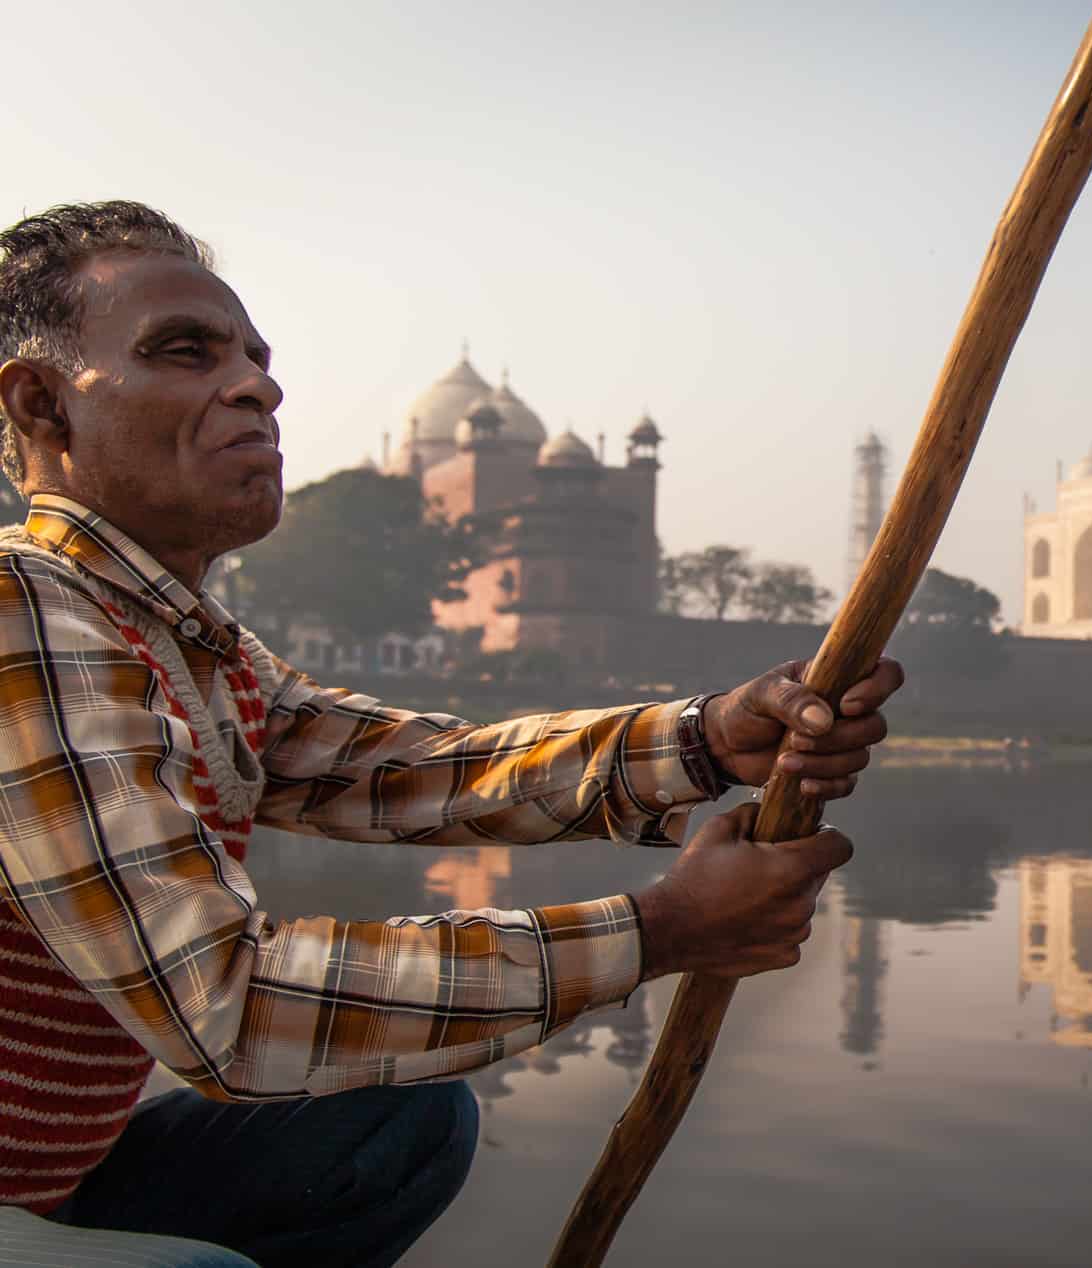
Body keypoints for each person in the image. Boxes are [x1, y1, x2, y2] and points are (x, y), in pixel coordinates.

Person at [0, 201, 904, 1267]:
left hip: (48, 1177)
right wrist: (658, 931)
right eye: (182, 352)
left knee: (397, 1124)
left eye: (255, 357)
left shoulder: (185, 645)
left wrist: (704, 738)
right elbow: (228, 1009)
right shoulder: (23, 609)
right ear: (42, 403)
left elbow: (416, 770)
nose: (257, 385)